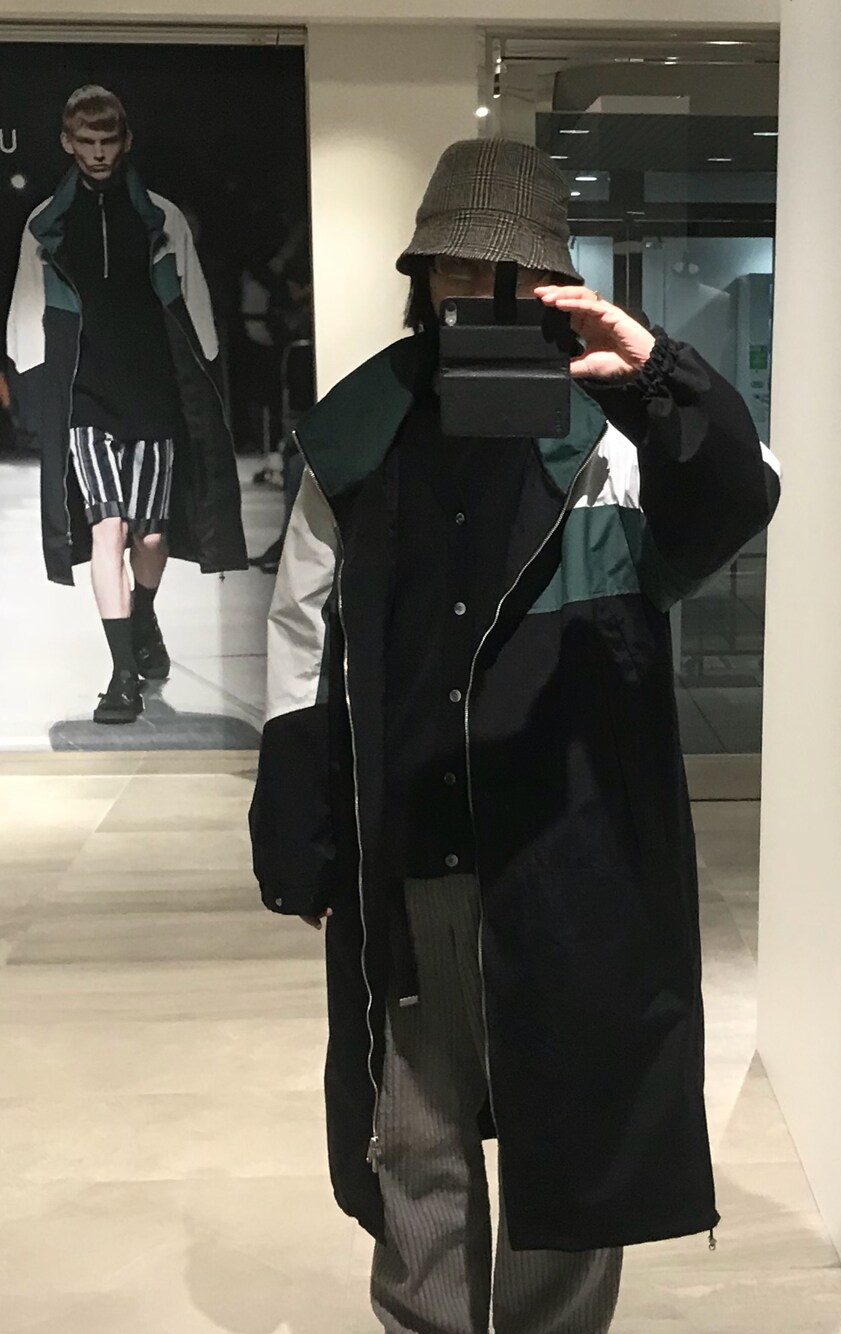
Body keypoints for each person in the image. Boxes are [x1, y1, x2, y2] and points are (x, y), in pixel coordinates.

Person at [248, 138, 782, 1334]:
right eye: (456, 270)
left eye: (515, 276)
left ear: (556, 284)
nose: (481, 297)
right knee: (414, 1132)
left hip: (572, 852)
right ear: (420, 275)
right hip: (416, 848)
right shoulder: (363, 429)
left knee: (574, 1125)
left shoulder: (614, 434)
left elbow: (737, 494)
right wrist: (300, 819)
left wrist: (656, 376)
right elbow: (301, 625)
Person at [4, 85, 247, 724]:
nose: (97, 153)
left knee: (151, 532)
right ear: (67, 142)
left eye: (107, 141)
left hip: (153, 394)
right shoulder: (46, 223)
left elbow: (194, 302)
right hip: (85, 396)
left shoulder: (161, 218)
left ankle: (144, 616)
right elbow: (26, 308)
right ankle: (120, 675)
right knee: (106, 528)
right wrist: (32, 392)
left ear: (125, 141)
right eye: (86, 141)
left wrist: (207, 376)